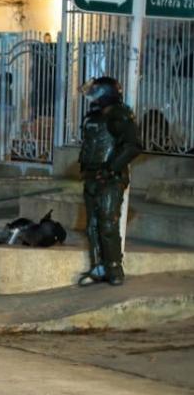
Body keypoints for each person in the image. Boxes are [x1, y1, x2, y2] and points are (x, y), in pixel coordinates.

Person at [77, 76, 141, 286]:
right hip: (91, 176)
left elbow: (131, 146)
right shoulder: (93, 116)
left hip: (111, 179)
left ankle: (114, 268)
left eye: (96, 92)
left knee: (107, 222)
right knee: (93, 224)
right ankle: (98, 267)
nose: (92, 96)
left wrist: (110, 169)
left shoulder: (120, 114)